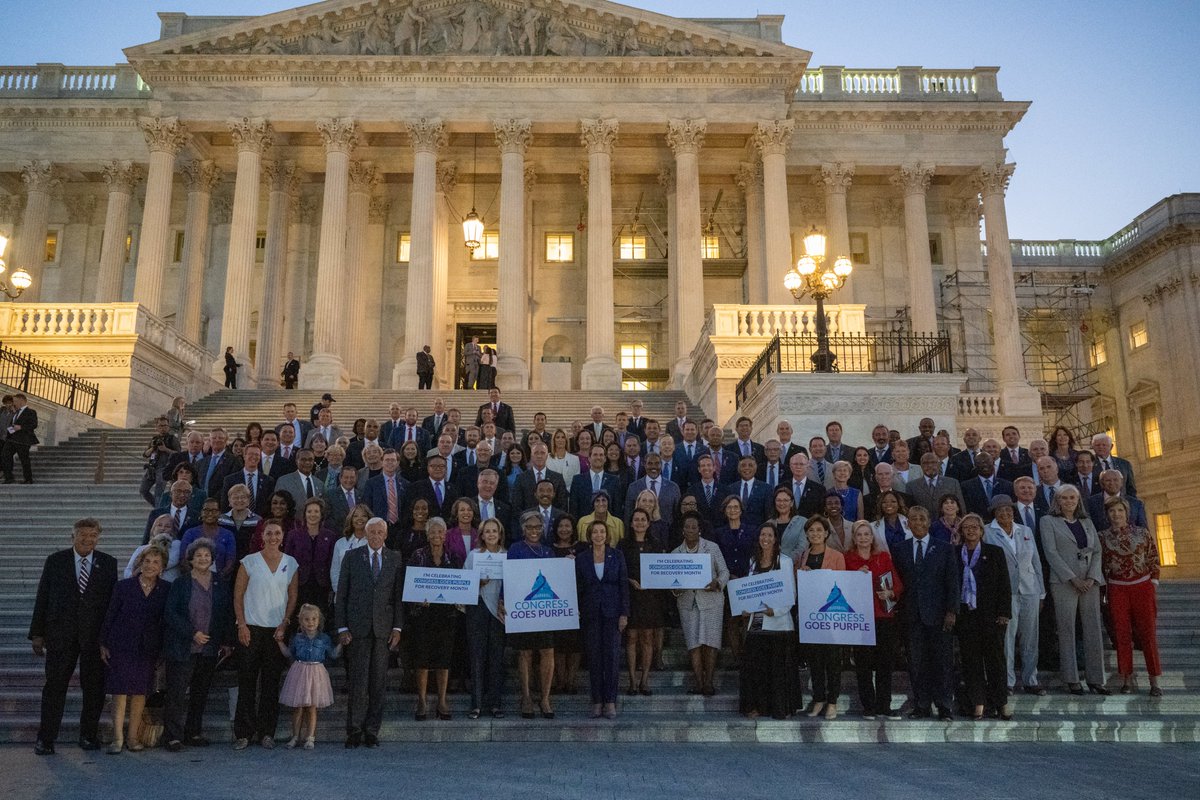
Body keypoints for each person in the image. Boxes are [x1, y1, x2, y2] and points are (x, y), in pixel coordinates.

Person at [29, 518, 118, 755]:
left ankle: (88, 735)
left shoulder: (108, 563)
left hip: (94, 639)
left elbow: (111, 605)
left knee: (94, 689)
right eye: (83, 535)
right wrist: (37, 634)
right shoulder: (56, 562)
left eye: (93, 535)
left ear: (98, 538)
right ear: (73, 536)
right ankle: (45, 739)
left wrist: (107, 639)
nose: (88, 539)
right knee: (55, 687)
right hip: (60, 636)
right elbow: (43, 598)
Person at [334, 517, 403, 747]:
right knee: (358, 683)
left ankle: (372, 731)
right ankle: (354, 730)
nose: (375, 536)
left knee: (378, 683)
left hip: (383, 629)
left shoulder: (394, 558)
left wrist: (397, 627)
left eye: (379, 532)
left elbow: (397, 597)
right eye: (371, 532)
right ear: (365, 534)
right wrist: (342, 627)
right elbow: (341, 594)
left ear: (385, 535)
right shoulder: (352, 557)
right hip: (357, 629)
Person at [232, 519, 299, 750]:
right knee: (247, 682)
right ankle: (243, 733)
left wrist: (285, 623)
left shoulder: (290, 563)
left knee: (271, 684)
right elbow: (238, 595)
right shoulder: (249, 562)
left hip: (276, 631)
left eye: (277, 533)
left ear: (283, 536)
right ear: (262, 535)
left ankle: (267, 732)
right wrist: (241, 625)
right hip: (251, 628)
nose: (273, 537)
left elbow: (292, 597)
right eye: (269, 533)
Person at [162, 538, 234, 751]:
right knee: (176, 693)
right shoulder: (180, 583)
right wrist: (192, 633)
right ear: (191, 559)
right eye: (199, 556)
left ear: (212, 559)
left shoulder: (220, 583)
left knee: (200, 693)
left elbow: (226, 614)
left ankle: (193, 732)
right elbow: (170, 614)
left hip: (209, 648)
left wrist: (227, 641)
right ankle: (172, 736)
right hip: (184, 646)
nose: (203, 559)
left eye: (207, 556)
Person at [99, 543, 170, 754]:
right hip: (121, 644)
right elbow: (110, 614)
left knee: (140, 693)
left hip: (148, 648)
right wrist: (103, 643)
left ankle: (133, 737)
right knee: (119, 692)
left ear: (162, 567)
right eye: (147, 561)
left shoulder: (166, 589)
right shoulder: (124, 587)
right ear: (140, 563)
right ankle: (117, 738)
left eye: (155, 562)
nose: (150, 565)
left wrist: (162, 650)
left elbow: (165, 621)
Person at [891, 505, 960, 720]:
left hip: (939, 615)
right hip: (911, 615)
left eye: (922, 518)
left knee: (942, 662)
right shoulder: (899, 548)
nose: (918, 522)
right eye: (913, 519)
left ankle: (944, 706)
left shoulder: (944, 548)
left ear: (929, 521)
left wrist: (952, 611)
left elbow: (952, 581)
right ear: (908, 523)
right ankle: (922, 705)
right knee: (917, 663)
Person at [1039, 485, 1108, 695]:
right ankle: (1072, 678)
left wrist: (1092, 577)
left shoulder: (1087, 522)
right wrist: (1073, 578)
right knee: (1066, 628)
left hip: (1090, 580)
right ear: (1057, 501)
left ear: (1078, 501)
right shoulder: (1048, 521)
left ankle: (1096, 679)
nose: (1069, 501)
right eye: (1064, 498)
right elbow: (1050, 552)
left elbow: (1097, 550)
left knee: (1093, 628)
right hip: (1064, 582)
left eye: (1072, 498)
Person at [1100, 496, 1163, 696]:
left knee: (1148, 634)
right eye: (1111, 511)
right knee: (1122, 634)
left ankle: (1154, 680)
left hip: (1142, 587)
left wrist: (1154, 581)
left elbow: (1153, 556)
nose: (1116, 515)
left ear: (1126, 512)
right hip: (1118, 588)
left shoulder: (1142, 533)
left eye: (1119, 510)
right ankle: (1126, 678)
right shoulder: (1102, 537)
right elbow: (1101, 564)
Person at [984, 495, 1044, 695]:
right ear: (994, 512)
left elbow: (1035, 562)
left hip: (1029, 589)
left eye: (1008, 509)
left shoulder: (1025, 531)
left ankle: (1030, 679)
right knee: (1007, 639)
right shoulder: (986, 531)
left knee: (1030, 637)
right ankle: (1007, 681)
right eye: (1000, 510)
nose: (1005, 513)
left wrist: (1041, 591)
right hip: (1004, 592)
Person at [954, 514, 1012, 720]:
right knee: (971, 662)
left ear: (981, 530)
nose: (971, 531)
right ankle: (978, 702)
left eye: (975, 527)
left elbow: (1004, 584)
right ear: (961, 531)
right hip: (966, 617)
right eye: (967, 527)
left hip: (991, 616)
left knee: (995, 661)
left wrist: (1004, 612)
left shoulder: (994, 552)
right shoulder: (954, 553)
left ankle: (1001, 702)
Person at [845, 519, 904, 720]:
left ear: (872, 537)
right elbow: (840, 585)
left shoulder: (883, 557)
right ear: (854, 538)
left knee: (885, 664)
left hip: (883, 617)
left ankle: (884, 706)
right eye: (859, 534)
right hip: (860, 618)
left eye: (866, 534)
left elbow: (897, 585)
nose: (863, 538)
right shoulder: (848, 559)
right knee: (863, 664)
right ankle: (868, 706)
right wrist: (854, 575)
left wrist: (890, 593)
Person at [739, 522, 797, 720]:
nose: (765, 538)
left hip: (778, 625)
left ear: (775, 538)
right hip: (756, 625)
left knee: (777, 671)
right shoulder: (753, 561)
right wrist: (744, 608)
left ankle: (780, 707)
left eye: (770, 535)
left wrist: (777, 610)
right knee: (757, 670)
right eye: (762, 534)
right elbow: (749, 591)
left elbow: (791, 594)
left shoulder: (785, 561)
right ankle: (759, 706)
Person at [406, 517, 462, 721]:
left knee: (443, 660)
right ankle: (421, 700)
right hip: (423, 615)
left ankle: (442, 700)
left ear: (445, 535)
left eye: (440, 532)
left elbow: (461, 585)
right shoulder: (417, 555)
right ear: (427, 534)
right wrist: (419, 600)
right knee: (422, 659)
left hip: (446, 616)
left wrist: (459, 599)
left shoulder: (453, 557)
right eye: (433, 532)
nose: (436, 535)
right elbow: (411, 584)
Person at [507, 511, 559, 718]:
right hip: (523, 610)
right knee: (525, 653)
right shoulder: (515, 549)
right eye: (530, 527)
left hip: (545, 611)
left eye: (538, 527)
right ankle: (526, 697)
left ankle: (545, 698)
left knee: (547, 651)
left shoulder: (549, 552)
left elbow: (556, 581)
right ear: (523, 529)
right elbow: (509, 576)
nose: (534, 531)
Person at [576, 519, 630, 719]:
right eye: (595, 532)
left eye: (602, 532)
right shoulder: (581, 558)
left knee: (612, 658)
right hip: (590, 612)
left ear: (607, 535)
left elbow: (623, 585)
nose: (598, 535)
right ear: (589, 535)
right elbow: (578, 586)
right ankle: (597, 701)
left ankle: (610, 701)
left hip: (612, 612)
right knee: (594, 658)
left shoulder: (617, 555)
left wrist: (624, 613)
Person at [672, 512, 730, 696]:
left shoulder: (711, 548)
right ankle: (699, 683)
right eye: (687, 527)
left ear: (700, 530)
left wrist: (718, 583)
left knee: (710, 642)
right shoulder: (676, 553)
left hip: (711, 601)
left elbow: (725, 572)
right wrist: (675, 590)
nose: (690, 530)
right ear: (682, 530)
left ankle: (709, 682)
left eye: (694, 527)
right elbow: (671, 580)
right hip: (688, 602)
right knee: (693, 644)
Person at [795, 515, 847, 719]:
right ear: (806, 534)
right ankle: (818, 699)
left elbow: (841, 584)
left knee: (833, 660)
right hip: (811, 617)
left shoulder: (836, 556)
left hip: (832, 617)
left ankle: (832, 701)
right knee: (815, 660)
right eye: (811, 530)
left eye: (819, 530)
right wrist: (802, 573)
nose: (815, 534)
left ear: (826, 533)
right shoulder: (802, 556)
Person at [278, 604, 340, 749]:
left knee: (312, 706)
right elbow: (289, 653)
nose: (310, 622)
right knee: (298, 706)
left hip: (316, 672)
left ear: (319, 621)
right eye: (306, 619)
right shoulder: (297, 638)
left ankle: (310, 737)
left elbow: (333, 654)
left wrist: (341, 645)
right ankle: (295, 736)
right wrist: (280, 642)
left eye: (313, 619)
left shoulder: (324, 638)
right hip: (299, 672)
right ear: (301, 621)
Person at [620, 509, 666, 695]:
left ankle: (645, 681)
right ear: (631, 524)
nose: (639, 522)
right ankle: (632, 681)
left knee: (647, 638)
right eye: (636, 519)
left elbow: (662, 572)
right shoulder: (623, 545)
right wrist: (630, 580)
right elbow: (618, 570)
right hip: (630, 596)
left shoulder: (656, 545)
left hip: (650, 597)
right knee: (631, 638)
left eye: (643, 520)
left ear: (649, 523)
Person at [465, 518, 507, 719]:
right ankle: (477, 704)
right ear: (481, 535)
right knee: (477, 657)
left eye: (494, 531)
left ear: (500, 534)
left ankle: (495, 704)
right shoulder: (474, 556)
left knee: (496, 658)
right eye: (487, 531)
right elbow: (464, 584)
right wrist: (477, 582)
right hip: (478, 608)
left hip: (499, 611)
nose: (491, 534)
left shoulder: (507, 556)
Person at [284, 497, 337, 618]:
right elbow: (287, 560)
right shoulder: (294, 535)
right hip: (299, 583)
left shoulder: (330, 536)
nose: (312, 514)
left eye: (316, 511)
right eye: (309, 511)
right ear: (304, 514)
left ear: (321, 514)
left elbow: (331, 563)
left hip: (322, 585)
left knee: (320, 617)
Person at [181, 499, 238, 578]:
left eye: (214, 510)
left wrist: (217, 579)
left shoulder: (228, 534)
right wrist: (196, 578)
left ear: (219, 513)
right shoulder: (190, 533)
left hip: (220, 581)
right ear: (201, 512)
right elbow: (183, 560)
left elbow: (230, 561)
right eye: (206, 510)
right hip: (193, 580)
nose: (210, 513)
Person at [330, 504, 371, 601]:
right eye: (355, 516)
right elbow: (335, 571)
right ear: (350, 519)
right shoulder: (340, 543)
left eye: (364, 516)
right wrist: (340, 591)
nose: (359, 519)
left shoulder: (375, 542)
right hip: (343, 596)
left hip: (367, 598)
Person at [139, 417, 180, 509]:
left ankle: (158, 511)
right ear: (156, 427)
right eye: (160, 426)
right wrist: (153, 448)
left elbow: (178, 453)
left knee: (159, 492)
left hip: (164, 468)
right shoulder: (154, 439)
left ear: (168, 427)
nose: (163, 428)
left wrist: (166, 449)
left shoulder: (172, 439)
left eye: (165, 425)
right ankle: (159, 508)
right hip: (152, 468)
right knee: (143, 490)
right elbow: (145, 454)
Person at [2, 393, 39, 484]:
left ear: (21, 401)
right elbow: (12, 425)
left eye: (15, 401)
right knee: (4, 455)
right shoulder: (15, 412)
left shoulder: (31, 412)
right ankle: (9, 478)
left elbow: (34, 425)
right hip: (12, 439)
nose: (13, 403)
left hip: (23, 440)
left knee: (24, 459)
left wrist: (21, 427)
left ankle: (28, 479)